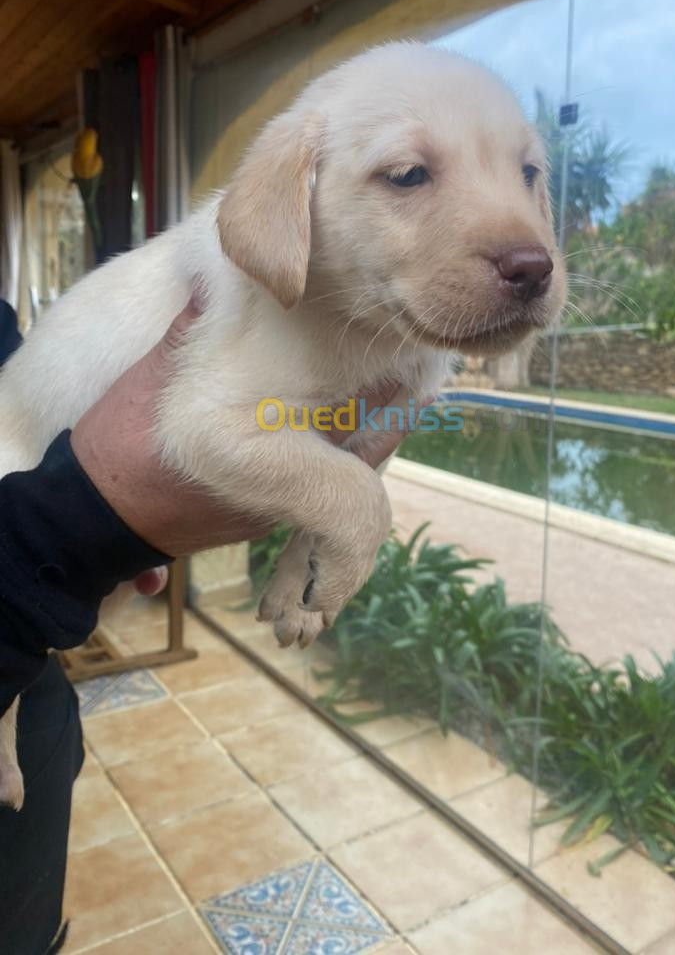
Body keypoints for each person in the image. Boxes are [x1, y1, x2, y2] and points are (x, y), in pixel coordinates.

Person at [0, 295, 410, 954]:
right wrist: (71, 521)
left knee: (31, 855)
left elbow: (331, 432)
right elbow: (208, 430)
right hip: (20, 559)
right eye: (408, 180)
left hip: (29, 656)